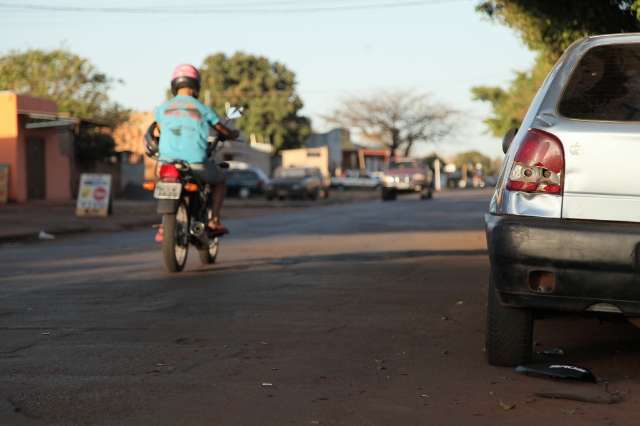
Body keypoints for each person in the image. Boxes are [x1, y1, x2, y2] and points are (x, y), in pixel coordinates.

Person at [152, 64, 239, 242]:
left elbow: (158, 131)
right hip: (195, 162)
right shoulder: (201, 108)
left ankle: (163, 226)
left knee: (162, 183)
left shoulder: (162, 109)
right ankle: (214, 221)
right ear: (196, 84)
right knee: (220, 180)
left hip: (167, 162)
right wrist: (232, 134)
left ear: (175, 84)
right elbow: (220, 128)